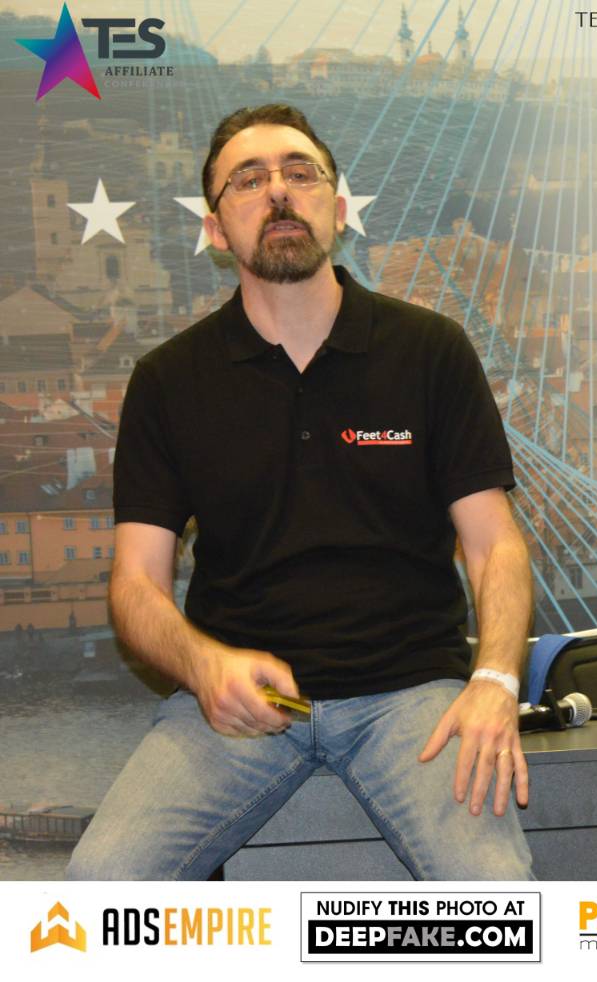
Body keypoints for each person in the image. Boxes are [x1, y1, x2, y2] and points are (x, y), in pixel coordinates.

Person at [67, 104, 533, 880]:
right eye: (248, 180)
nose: (279, 190)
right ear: (216, 229)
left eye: (300, 172)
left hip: (410, 695)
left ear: (338, 209)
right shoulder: (169, 381)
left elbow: (496, 546)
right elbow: (135, 586)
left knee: (498, 897)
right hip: (239, 705)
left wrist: (495, 681)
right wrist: (204, 666)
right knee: (97, 889)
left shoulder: (430, 350)